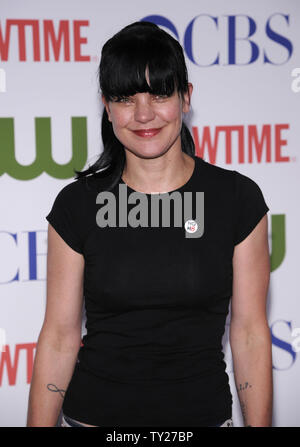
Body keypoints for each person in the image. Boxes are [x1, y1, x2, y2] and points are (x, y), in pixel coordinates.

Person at [26, 21, 272, 428]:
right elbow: (58, 336)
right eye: (125, 98)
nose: (143, 114)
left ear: (185, 97)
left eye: (159, 94)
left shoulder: (237, 199)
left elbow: (248, 334)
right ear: (106, 106)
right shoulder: (78, 205)